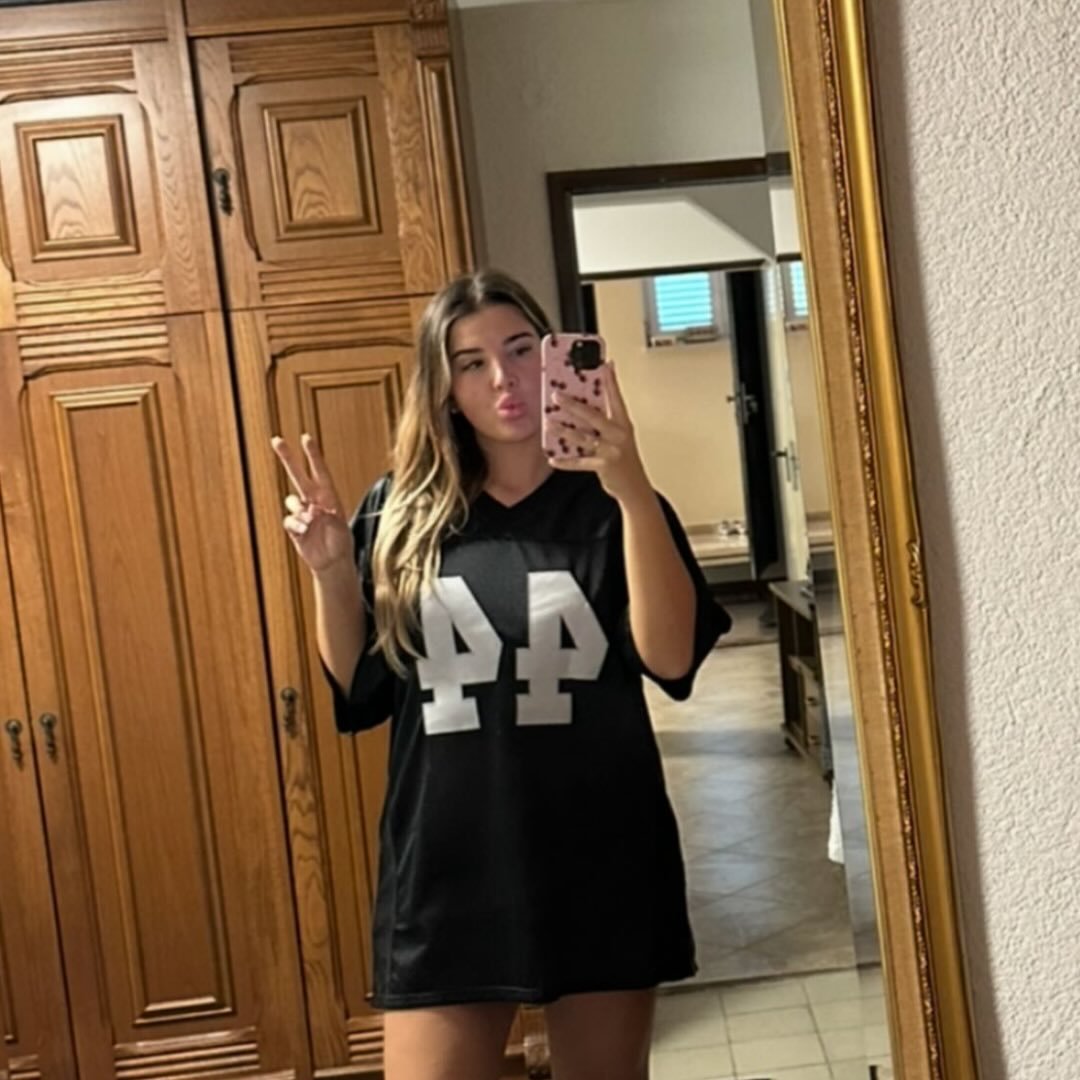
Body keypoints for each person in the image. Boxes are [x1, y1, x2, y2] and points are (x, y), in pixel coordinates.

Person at [271, 270, 731, 1080]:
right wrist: (332, 571)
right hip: (447, 866)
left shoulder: (614, 505)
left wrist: (630, 489)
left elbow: (670, 658)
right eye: (471, 362)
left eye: (520, 350)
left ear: (555, 356)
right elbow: (361, 688)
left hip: (600, 854)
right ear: (444, 387)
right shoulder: (399, 510)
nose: (502, 379)